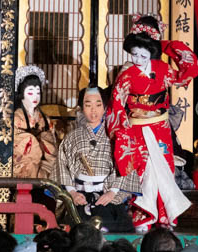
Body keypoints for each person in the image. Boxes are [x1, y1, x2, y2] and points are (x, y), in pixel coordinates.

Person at [106, 15, 198, 233]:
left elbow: (189, 70)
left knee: (164, 172)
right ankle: (142, 216)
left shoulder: (164, 70)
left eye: (143, 54)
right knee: (144, 172)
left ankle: (165, 216)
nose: (138, 58)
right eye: (134, 54)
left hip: (160, 129)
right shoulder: (126, 75)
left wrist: (169, 47)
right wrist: (122, 130)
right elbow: (117, 105)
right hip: (136, 128)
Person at [56, 86, 138, 233]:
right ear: (81, 108)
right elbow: (62, 167)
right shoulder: (71, 138)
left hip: (106, 196)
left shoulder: (115, 136)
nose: (93, 110)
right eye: (88, 105)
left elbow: (125, 166)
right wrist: (73, 193)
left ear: (105, 107)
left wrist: (112, 192)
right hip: (80, 196)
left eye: (98, 105)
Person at [13, 65, 58, 179]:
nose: (35, 96)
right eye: (30, 92)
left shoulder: (45, 119)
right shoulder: (15, 118)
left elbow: (52, 148)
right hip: (22, 166)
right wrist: (33, 141)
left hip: (45, 165)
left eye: (38, 92)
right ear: (21, 93)